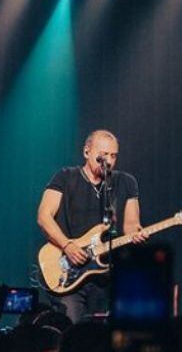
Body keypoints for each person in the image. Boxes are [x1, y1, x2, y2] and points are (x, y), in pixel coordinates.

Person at [37, 130, 146, 322]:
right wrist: (67, 245)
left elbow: (131, 226)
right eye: (103, 155)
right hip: (69, 270)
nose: (109, 161)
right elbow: (44, 217)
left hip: (105, 273)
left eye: (113, 156)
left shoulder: (126, 182)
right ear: (87, 152)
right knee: (71, 326)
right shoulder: (65, 177)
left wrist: (136, 234)